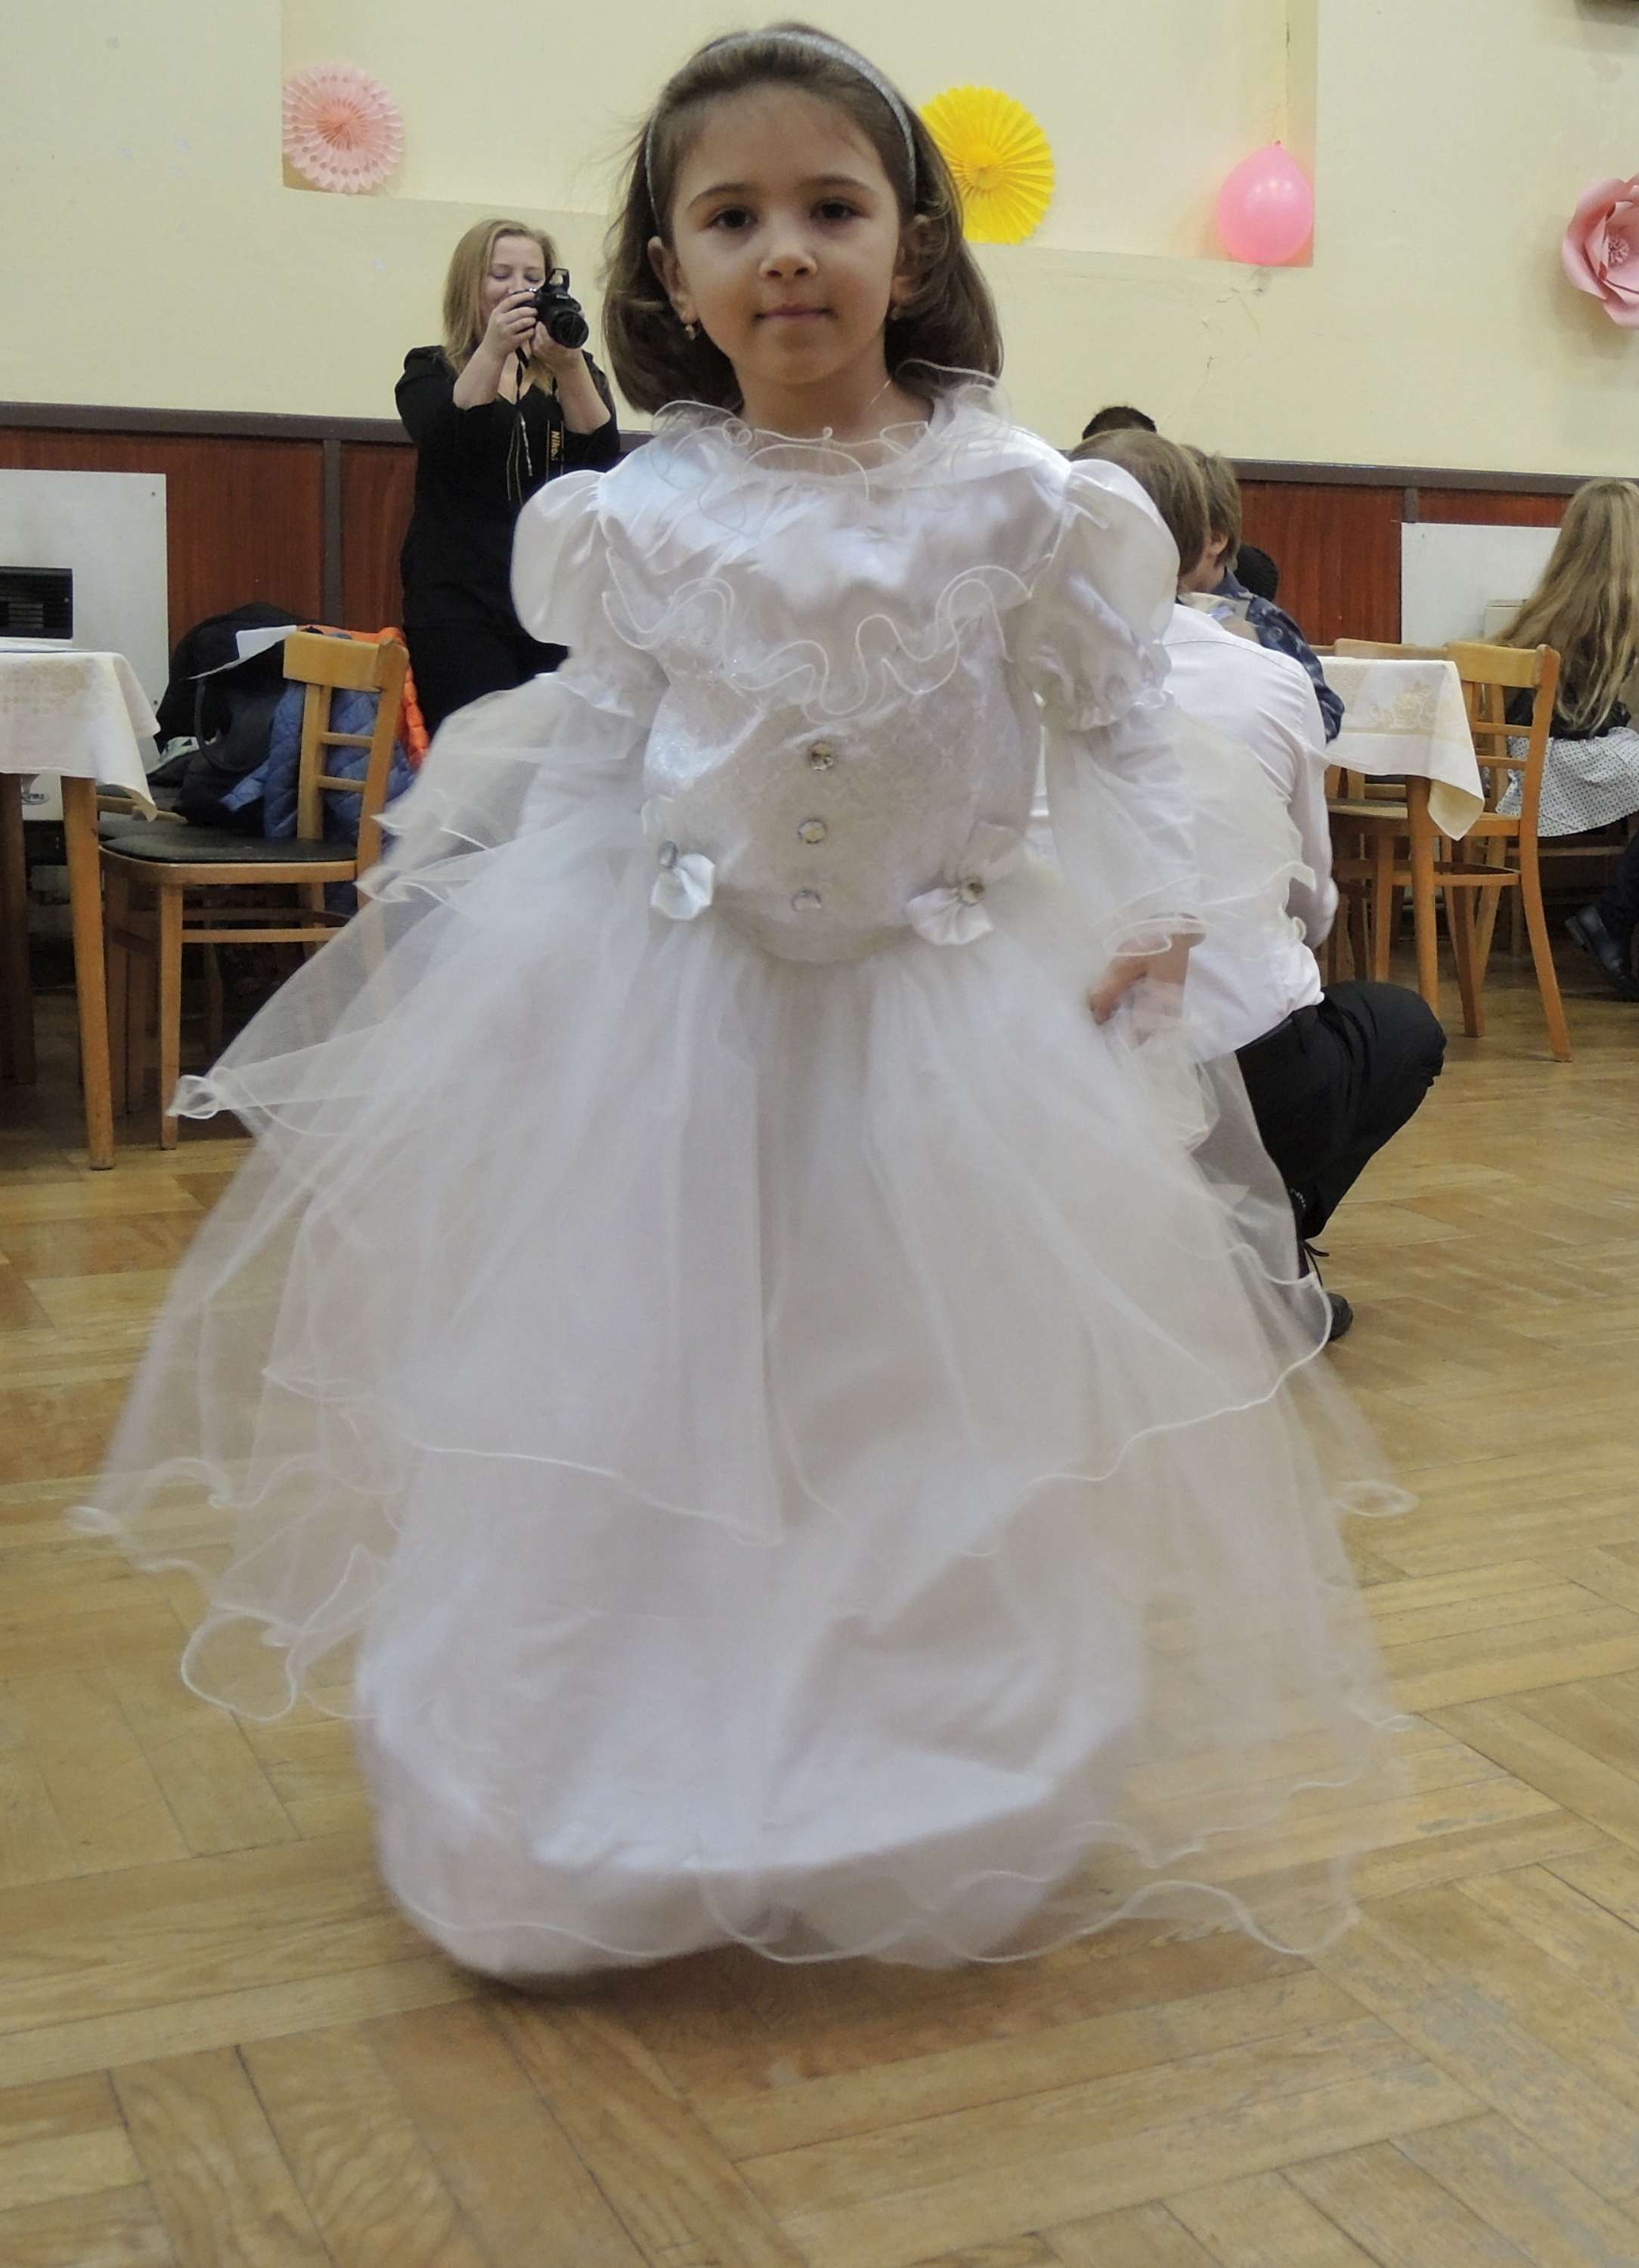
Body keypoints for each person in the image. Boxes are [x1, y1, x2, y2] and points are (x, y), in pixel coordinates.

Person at [81, 22, 1396, 1979]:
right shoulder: (633, 515)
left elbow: (1120, 730)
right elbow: (600, 752)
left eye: (830, 207)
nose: (785, 249)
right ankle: (600, 1776)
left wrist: (1158, 916)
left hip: (937, 1015)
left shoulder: (1026, 505)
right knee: (648, 1375)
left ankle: (910, 1763)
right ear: (668, 270)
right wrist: (510, 951)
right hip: (675, 1006)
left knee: (906, 1396)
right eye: (733, 217)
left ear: (911, 246)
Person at [1074, 429, 1445, 1340]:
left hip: (1049, 1055)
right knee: (1397, 1027)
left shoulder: (998, 664)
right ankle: (1262, 1232)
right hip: (1237, 1055)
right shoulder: (1266, 678)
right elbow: (1309, 898)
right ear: (1201, 546)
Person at [1492, 480, 1639, 999]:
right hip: (1568, 756)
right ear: (1632, 540)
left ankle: (1633, 933)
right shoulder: (1623, 598)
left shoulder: (1558, 594)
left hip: (1527, 752)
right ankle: (1612, 919)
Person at [396, 218, 622, 733]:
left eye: (533, 278)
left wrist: (569, 367)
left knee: (552, 753)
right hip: (459, 600)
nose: (519, 289)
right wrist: (493, 350)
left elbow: (600, 460)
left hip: (551, 602)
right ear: (470, 286)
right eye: (501, 275)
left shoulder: (573, 369)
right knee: (478, 747)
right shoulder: (430, 370)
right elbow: (445, 439)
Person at [1184, 448, 1344, 744]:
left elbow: (1325, 713)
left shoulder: (1261, 620)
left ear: (1215, 540)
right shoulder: (1140, 611)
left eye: (1169, 535)